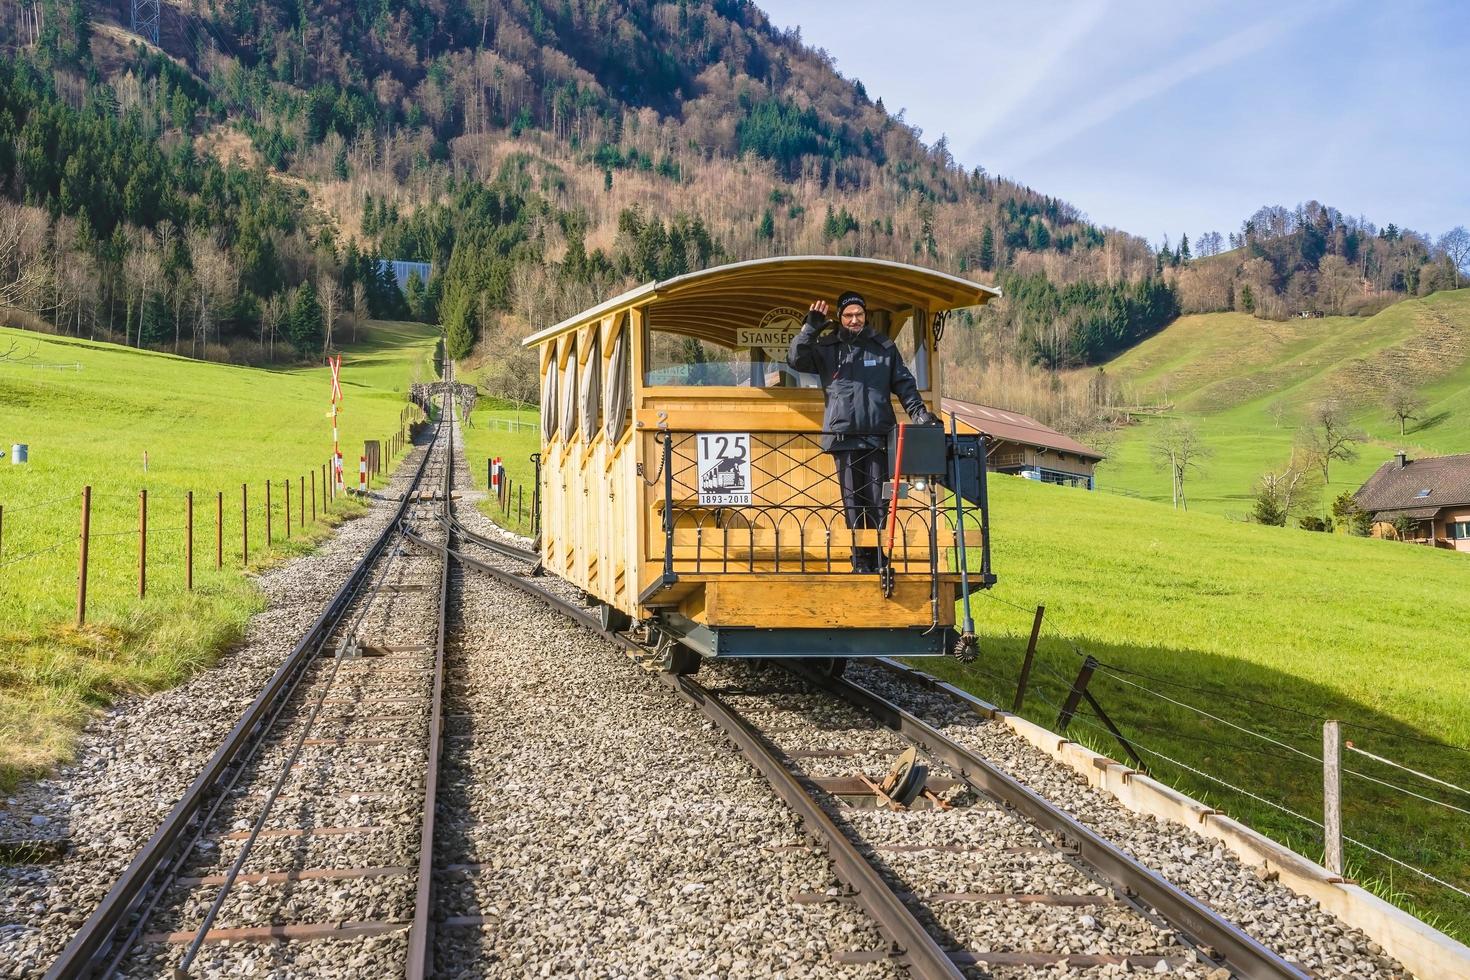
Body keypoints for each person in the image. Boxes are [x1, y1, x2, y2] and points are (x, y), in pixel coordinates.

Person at [787, 290, 939, 573]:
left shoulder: (883, 347)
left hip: (879, 437)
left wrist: (919, 413)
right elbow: (796, 360)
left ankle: (882, 560)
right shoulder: (827, 347)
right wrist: (811, 327)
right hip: (843, 438)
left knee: (879, 500)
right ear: (840, 318)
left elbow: (904, 384)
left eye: (859, 314)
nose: (854, 320)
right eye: (848, 315)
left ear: (865, 315)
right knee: (853, 503)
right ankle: (860, 561)